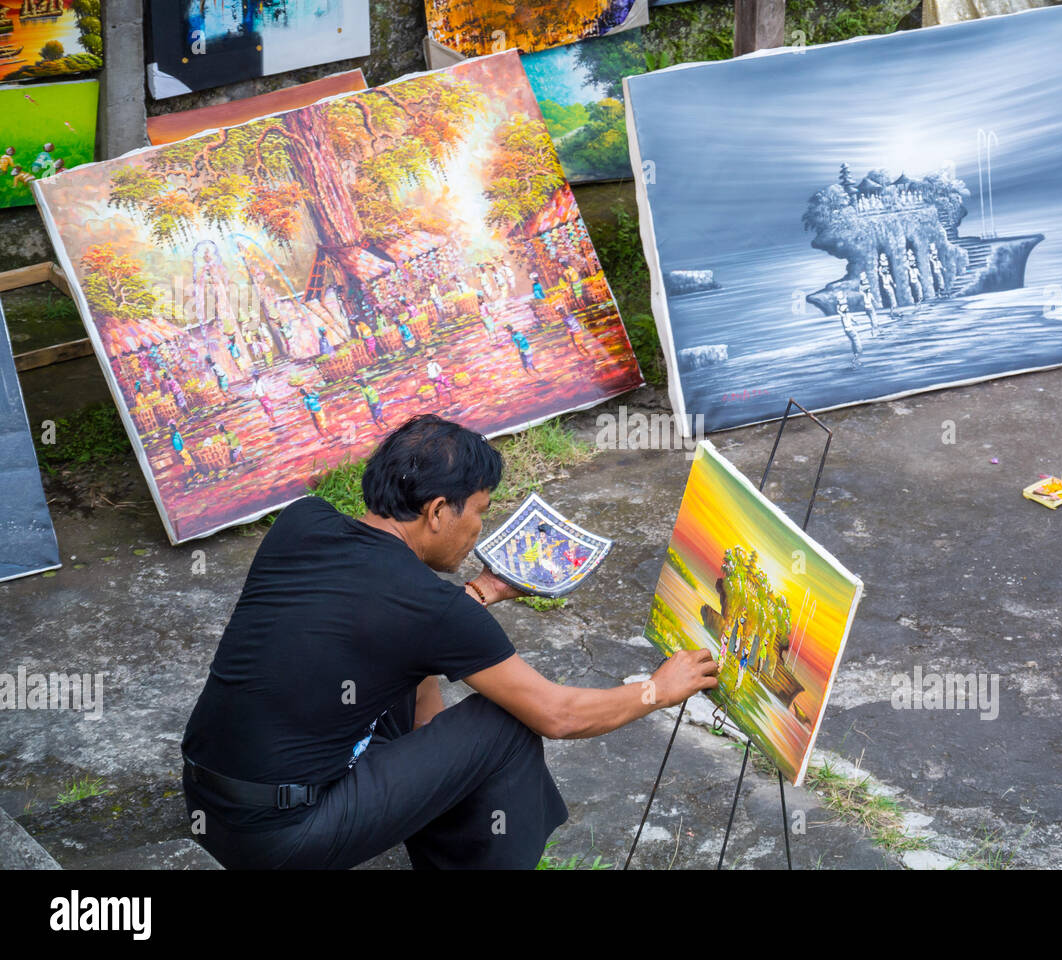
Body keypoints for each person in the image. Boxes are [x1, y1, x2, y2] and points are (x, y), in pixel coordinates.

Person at [180, 415, 718, 869]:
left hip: (209, 801)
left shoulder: (302, 522)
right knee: (504, 725)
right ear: (439, 511)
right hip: (281, 839)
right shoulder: (430, 607)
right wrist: (658, 689)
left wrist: (478, 594)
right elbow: (560, 715)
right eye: (480, 511)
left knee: (376, 670)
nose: (480, 528)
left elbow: (389, 623)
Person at [835, 291, 864, 367]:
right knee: (857, 344)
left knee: (855, 343)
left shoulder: (846, 315)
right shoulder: (844, 316)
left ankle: (856, 358)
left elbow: (853, 319)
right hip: (850, 330)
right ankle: (856, 358)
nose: (847, 307)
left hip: (849, 330)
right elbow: (839, 310)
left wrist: (856, 322)